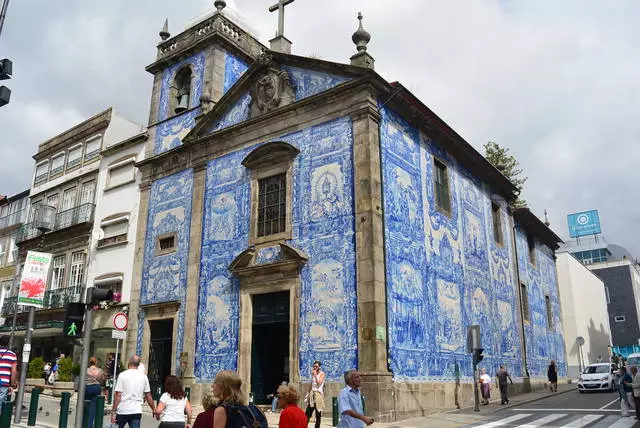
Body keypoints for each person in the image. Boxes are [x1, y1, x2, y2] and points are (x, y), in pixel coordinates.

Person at [111, 355, 156, 428]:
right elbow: (148, 395)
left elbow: (118, 394)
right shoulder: (143, 377)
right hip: (136, 410)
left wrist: (114, 411)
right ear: (138, 365)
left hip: (122, 409)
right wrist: (153, 408)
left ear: (129, 363)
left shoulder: (122, 375)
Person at [86, 356, 106, 428]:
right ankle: (90, 424)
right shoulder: (99, 370)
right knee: (93, 406)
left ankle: (85, 422)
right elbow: (102, 380)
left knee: (86, 405)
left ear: (89, 362)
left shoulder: (86, 370)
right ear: (96, 362)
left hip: (87, 387)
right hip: (96, 388)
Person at [306, 360, 326, 428]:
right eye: (314, 366)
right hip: (312, 394)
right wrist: (307, 393)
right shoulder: (313, 374)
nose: (314, 368)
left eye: (316, 366)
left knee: (318, 414)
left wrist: (315, 374)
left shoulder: (322, 374)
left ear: (319, 367)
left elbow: (319, 383)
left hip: (318, 395)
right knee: (307, 413)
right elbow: (311, 384)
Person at [0, 335, 17, 412]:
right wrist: (12, 384)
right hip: (4, 383)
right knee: (1, 403)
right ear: (8, 343)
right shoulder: (12, 355)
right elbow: (13, 372)